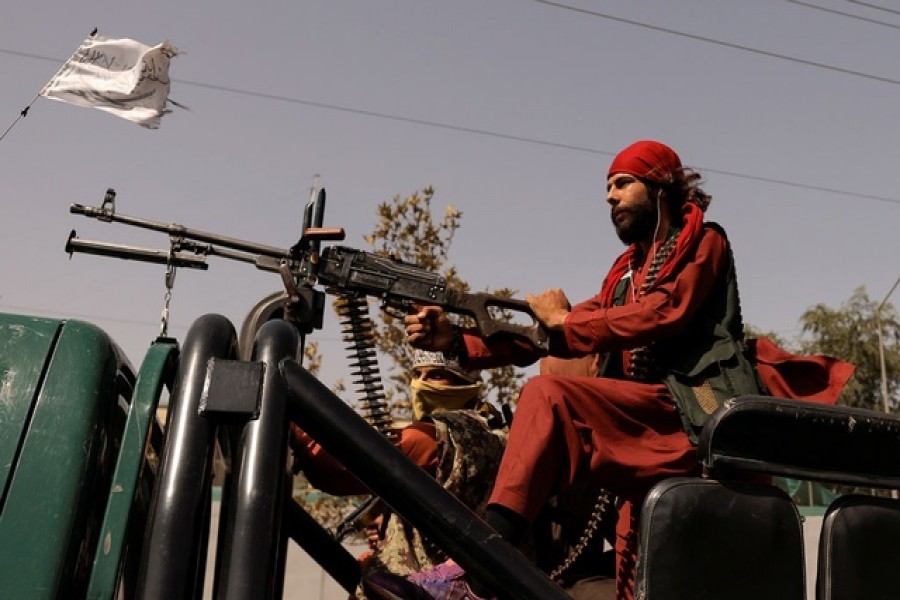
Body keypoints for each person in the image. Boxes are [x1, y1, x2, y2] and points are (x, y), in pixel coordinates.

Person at [364, 140, 854, 600]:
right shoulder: (622, 273)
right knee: (633, 570)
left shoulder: (704, 240)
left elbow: (665, 312)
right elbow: (554, 336)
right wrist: (458, 341)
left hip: (697, 413)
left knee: (549, 397)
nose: (609, 196)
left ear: (660, 187)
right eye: (607, 187)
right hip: (642, 431)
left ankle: (477, 569)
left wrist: (570, 319)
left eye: (622, 183)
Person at [291, 349, 506, 597]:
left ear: (466, 382)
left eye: (436, 375)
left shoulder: (441, 436)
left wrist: (298, 428)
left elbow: (340, 470)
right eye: (418, 374)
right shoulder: (492, 432)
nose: (421, 384)